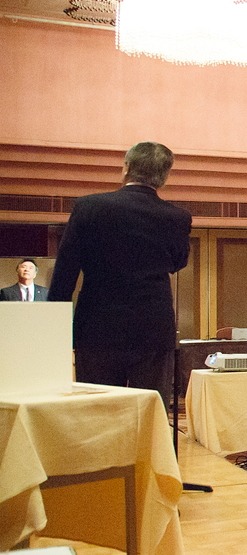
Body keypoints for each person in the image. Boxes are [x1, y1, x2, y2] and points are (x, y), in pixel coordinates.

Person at [47, 141, 191, 400]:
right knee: (148, 409)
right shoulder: (177, 217)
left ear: (126, 167)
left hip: (97, 327)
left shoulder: (89, 207)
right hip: (153, 327)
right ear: (165, 176)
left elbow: (65, 272)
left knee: (98, 409)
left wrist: (53, 328)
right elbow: (178, 262)